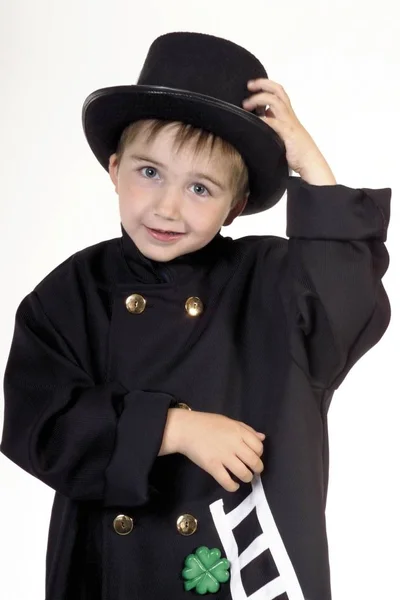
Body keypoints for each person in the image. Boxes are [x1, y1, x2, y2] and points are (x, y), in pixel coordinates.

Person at [0, 31, 391, 600]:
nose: (167, 207)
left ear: (235, 206)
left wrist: (312, 166)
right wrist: (171, 428)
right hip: (110, 575)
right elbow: (37, 424)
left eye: (201, 188)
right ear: (114, 169)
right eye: (149, 172)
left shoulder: (269, 281)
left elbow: (346, 306)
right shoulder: (69, 293)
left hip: (246, 571)